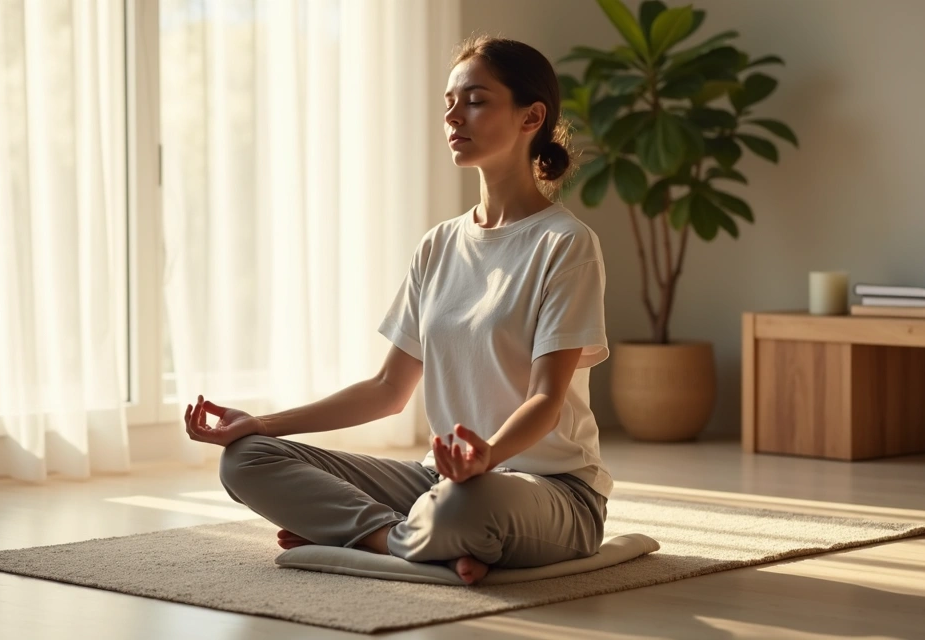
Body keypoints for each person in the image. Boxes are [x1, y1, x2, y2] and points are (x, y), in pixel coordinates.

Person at [183, 35, 612, 587]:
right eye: (449, 103)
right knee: (246, 460)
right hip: (440, 483)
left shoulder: (565, 243)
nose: (454, 115)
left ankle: (370, 535)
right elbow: (388, 388)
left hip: (551, 492)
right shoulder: (438, 245)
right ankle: (403, 539)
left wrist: (487, 458)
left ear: (531, 116)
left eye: (476, 100)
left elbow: (547, 401)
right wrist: (261, 424)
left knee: (465, 506)